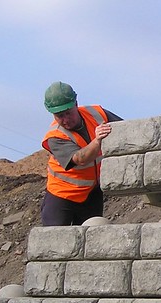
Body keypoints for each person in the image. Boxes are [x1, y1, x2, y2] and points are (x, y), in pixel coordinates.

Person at [40, 81, 123, 226]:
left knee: (91, 238)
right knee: (55, 241)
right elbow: (80, 158)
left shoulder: (97, 114)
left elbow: (124, 129)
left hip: (91, 193)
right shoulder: (55, 136)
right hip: (62, 196)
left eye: (68, 113)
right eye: (59, 116)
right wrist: (98, 141)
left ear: (76, 104)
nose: (65, 120)